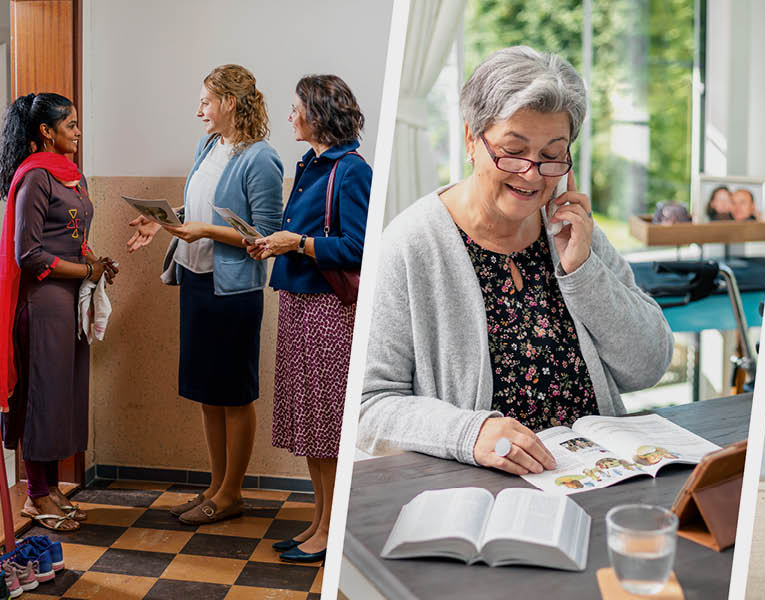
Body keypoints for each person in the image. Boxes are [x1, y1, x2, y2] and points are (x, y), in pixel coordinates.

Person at [357, 46, 672, 475]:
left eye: (551, 156)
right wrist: (469, 433)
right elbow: (368, 407)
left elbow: (648, 366)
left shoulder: (572, 229)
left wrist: (583, 271)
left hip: (598, 479)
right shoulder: (409, 246)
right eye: (513, 150)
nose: (530, 173)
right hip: (479, 496)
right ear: (471, 139)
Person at [127, 64, 283, 524]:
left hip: (233, 291)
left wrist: (205, 232)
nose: (199, 111)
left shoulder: (261, 158)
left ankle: (232, 492)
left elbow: (267, 236)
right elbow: (196, 209)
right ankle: (215, 487)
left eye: (205, 101)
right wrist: (162, 220)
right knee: (208, 392)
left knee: (234, 393)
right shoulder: (208, 145)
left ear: (229, 103)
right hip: (196, 281)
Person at [248, 74, 371, 562]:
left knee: (328, 427)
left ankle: (331, 530)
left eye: (297, 106)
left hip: (329, 311)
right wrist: (274, 239)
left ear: (318, 113)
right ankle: (319, 521)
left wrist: (295, 243)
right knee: (313, 428)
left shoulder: (352, 170)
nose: (290, 115)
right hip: (300, 303)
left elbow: (359, 247)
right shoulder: (310, 163)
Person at [0, 93, 118, 532]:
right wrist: (86, 267)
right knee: (42, 395)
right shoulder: (34, 179)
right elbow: (28, 253)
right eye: (71, 125)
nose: (78, 132)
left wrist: (96, 264)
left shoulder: (74, 177)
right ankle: (35, 495)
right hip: (43, 301)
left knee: (64, 393)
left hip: (70, 299)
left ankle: (50, 489)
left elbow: (73, 236)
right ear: (46, 132)